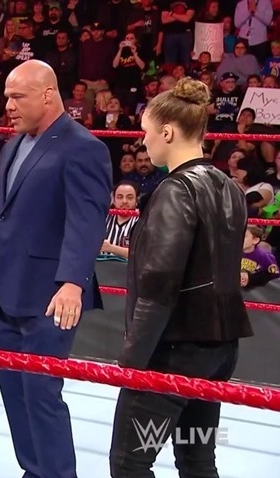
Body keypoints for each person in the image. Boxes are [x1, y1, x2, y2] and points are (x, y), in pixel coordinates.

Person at [0, 59, 113, 478]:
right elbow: (4, 218)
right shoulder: (13, 145)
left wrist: (72, 282)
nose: (8, 106)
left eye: (18, 97)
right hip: (8, 289)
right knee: (13, 389)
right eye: (7, 97)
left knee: (41, 391)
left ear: (48, 95)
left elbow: (86, 221)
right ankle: (34, 470)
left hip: (51, 296)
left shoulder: (83, 146)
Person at [109, 77, 253, 477]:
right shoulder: (230, 188)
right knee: (197, 458)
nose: (144, 141)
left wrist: (132, 361)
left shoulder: (175, 191)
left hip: (173, 353)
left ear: (168, 132)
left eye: (147, 132)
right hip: (217, 352)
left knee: (129, 463)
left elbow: (159, 283)